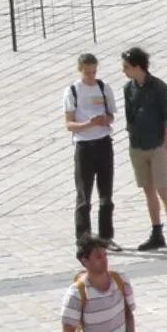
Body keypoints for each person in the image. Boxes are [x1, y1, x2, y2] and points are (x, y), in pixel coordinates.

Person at [117, 46, 167, 255]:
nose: (124, 71)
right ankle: (156, 232)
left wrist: (165, 143)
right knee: (148, 190)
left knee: (163, 189)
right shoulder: (129, 88)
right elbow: (129, 115)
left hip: (156, 146)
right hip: (137, 146)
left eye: (126, 67)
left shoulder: (160, 88)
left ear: (137, 66)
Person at [59, 238, 140, 332]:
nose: (104, 260)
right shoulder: (76, 293)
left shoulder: (120, 279)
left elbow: (128, 311)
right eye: (98, 256)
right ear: (85, 261)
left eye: (105, 255)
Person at [64, 51, 117, 248]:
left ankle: (105, 237)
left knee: (106, 195)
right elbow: (69, 124)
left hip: (104, 143)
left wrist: (106, 120)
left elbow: (112, 114)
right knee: (84, 196)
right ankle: (83, 239)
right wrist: (88, 123)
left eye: (93, 72)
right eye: (87, 73)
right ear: (80, 71)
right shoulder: (72, 91)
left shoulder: (103, 88)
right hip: (84, 146)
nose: (91, 77)